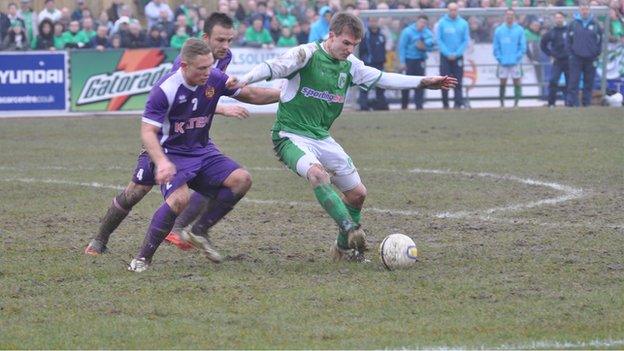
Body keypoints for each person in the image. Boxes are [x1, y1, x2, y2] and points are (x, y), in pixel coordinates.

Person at [231, 12, 457, 262]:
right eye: (346, 43)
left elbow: (384, 79)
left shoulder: (351, 66)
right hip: (289, 135)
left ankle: (342, 249)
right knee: (318, 175)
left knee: (358, 194)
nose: (350, 50)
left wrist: (424, 82)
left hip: (322, 137)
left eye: (354, 45)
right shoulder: (306, 54)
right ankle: (350, 228)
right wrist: (244, 79)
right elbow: (272, 67)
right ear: (331, 36)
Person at [85, 13, 255, 257]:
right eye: (221, 40)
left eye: (230, 40)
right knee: (137, 191)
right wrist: (223, 108)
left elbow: (207, 95)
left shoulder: (224, 58)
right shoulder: (182, 65)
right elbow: (181, 103)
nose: (226, 46)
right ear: (206, 38)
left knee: (220, 178)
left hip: (195, 137)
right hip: (167, 138)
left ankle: (183, 228)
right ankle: (100, 238)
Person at [127, 38, 279, 272]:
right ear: (184, 66)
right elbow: (147, 131)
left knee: (241, 179)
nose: (209, 72)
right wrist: (161, 162)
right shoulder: (164, 90)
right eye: (202, 68)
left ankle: (199, 230)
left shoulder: (214, 77)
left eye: (210, 66)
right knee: (179, 199)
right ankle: (142, 258)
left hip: (202, 150)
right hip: (172, 152)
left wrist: (284, 94)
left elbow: (251, 95)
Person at [566, 3, 603, 107]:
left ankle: (586, 104)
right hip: (576, 58)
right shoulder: (573, 24)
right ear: (579, 10)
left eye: (586, 9)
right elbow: (568, 41)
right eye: (582, 9)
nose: (584, 11)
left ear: (589, 10)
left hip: (591, 58)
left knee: (589, 82)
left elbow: (600, 41)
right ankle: (574, 103)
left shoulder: (596, 24)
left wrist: (596, 53)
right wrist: (571, 54)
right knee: (573, 82)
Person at [435, 3, 470, 109]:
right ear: (448, 10)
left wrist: (456, 53)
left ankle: (458, 103)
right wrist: (447, 53)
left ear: (458, 10)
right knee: (444, 80)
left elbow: (465, 40)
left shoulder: (463, 23)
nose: (453, 12)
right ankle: (445, 104)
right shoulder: (441, 23)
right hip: (445, 57)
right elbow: (438, 40)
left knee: (458, 80)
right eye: (451, 10)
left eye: (455, 10)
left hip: (458, 57)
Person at [398, 15, 434, 110]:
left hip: (420, 60)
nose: (422, 24)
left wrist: (425, 47)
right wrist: (402, 62)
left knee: (421, 83)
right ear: (417, 22)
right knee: (406, 83)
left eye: (424, 23)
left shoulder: (427, 33)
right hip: (409, 60)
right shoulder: (407, 31)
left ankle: (419, 106)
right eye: (421, 22)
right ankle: (404, 106)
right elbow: (402, 47)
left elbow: (432, 47)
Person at [493, 9, 526, 107]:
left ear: (514, 17)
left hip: (515, 62)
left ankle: (516, 103)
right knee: (502, 81)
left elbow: (522, 46)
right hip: (503, 62)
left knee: (517, 81)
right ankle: (502, 103)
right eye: (507, 15)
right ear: (505, 16)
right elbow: (496, 46)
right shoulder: (499, 30)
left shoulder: (519, 29)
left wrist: (517, 57)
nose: (509, 17)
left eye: (511, 15)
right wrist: (499, 58)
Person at [358, 17, 389, 111]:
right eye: (372, 21)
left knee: (381, 86)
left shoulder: (382, 35)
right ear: (369, 22)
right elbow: (361, 50)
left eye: (375, 21)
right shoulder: (365, 36)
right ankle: (363, 106)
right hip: (368, 64)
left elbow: (383, 50)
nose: (374, 23)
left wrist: (383, 60)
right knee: (364, 86)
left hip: (379, 64)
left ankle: (381, 106)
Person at [540, 12, 569, 107]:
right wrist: (550, 54)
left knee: (570, 82)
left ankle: (569, 102)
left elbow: (575, 43)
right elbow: (543, 45)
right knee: (553, 81)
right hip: (557, 61)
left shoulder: (569, 30)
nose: (558, 19)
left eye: (560, 17)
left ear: (563, 18)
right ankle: (551, 103)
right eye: (557, 18)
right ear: (554, 19)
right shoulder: (551, 32)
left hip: (569, 60)